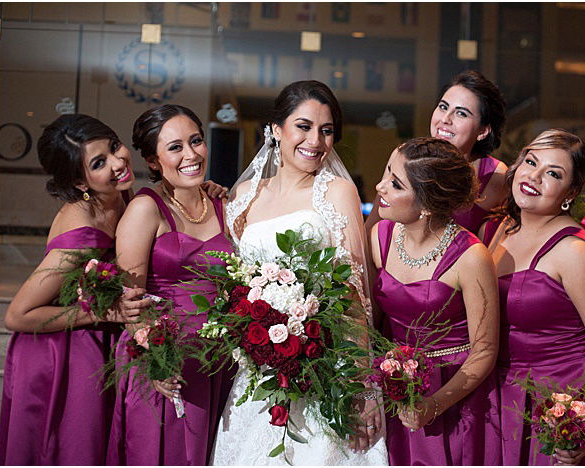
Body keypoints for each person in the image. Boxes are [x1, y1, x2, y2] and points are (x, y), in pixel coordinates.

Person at [213, 80, 388, 465]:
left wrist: (361, 387)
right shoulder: (243, 198)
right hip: (260, 366)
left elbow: (355, 293)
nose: (316, 140)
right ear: (276, 129)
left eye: (327, 131)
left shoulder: (338, 192)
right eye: (304, 126)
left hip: (325, 364)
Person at [0, 114, 150, 465]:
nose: (117, 162)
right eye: (99, 163)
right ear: (80, 182)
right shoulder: (81, 237)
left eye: (114, 147)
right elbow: (17, 315)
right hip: (59, 353)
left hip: (96, 343)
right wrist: (98, 312)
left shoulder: (121, 197)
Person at [479, 129, 585, 465]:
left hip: (561, 400)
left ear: (571, 191)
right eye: (531, 162)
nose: (534, 176)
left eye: (553, 173)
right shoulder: (503, 227)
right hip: (503, 394)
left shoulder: (575, 251)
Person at [106, 104, 235, 465]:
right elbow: (131, 300)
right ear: (152, 160)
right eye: (175, 147)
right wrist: (157, 360)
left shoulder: (224, 205)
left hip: (216, 363)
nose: (191, 154)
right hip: (164, 362)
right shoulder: (146, 210)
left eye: (196, 141)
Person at [370, 137, 501, 465]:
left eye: (395, 183)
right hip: (394, 385)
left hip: (455, 394)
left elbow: (485, 349)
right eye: (387, 172)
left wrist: (434, 404)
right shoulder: (380, 237)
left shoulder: (471, 257)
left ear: (427, 204)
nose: (380, 186)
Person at [366, 70, 508, 234]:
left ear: (483, 131)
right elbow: (373, 223)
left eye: (461, 113)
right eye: (443, 107)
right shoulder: (402, 155)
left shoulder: (495, 176)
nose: (445, 119)